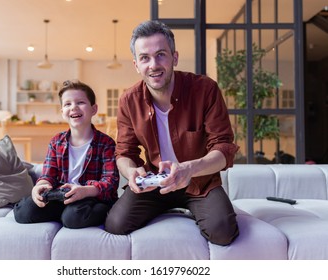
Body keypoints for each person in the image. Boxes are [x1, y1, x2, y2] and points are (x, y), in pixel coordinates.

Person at [104, 20, 239, 245]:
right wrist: (131, 172)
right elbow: (124, 152)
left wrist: (190, 168)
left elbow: (224, 148)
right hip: (154, 182)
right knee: (116, 224)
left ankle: (194, 207)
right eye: (145, 58)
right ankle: (166, 207)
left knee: (222, 232)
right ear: (136, 65)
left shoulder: (205, 89)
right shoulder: (129, 100)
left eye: (161, 55)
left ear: (174, 57)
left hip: (199, 181)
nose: (153, 64)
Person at [14, 80, 119, 229]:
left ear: (93, 109)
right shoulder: (56, 141)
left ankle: (81, 213)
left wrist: (85, 191)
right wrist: (41, 186)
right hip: (62, 196)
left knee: (74, 217)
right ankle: (65, 213)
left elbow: (110, 182)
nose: (74, 107)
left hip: (90, 197)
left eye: (80, 102)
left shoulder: (106, 143)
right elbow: (48, 175)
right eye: (67, 104)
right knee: (23, 212)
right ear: (62, 112)